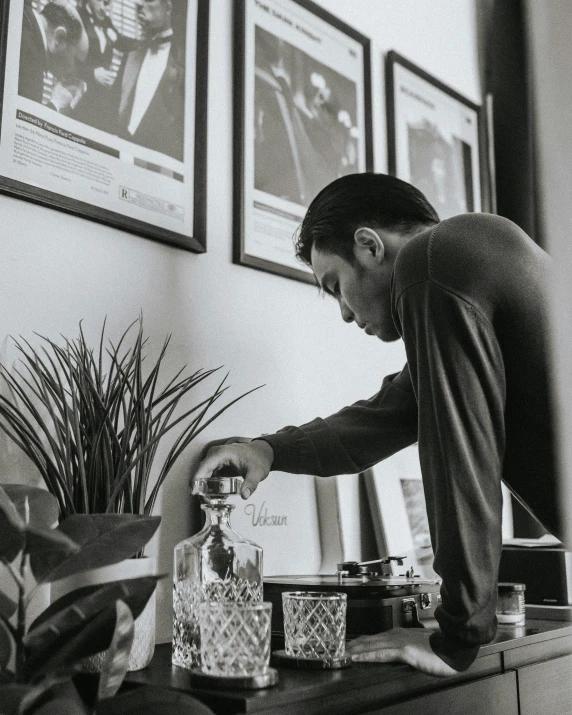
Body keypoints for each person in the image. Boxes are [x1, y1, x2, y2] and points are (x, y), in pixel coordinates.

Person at [194, 172, 560, 677]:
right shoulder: (462, 259)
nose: (345, 314)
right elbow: (382, 418)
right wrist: (268, 451)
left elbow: (460, 457)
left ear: (369, 246)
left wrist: (457, 636)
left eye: (336, 287)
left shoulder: (431, 262)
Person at [115, 0, 185, 161]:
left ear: (168, 7)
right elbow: (113, 110)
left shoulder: (186, 65)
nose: (138, 3)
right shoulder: (131, 54)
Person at [75, 0, 137, 131]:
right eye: (101, 2)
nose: (104, 8)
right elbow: (65, 60)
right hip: (79, 96)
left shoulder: (105, 22)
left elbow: (121, 43)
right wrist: (92, 73)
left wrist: (145, 45)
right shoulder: (76, 17)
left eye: (107, 3)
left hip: (101, 99)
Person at [19, 0, 88, 113]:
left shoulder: (21, 15)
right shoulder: (31, 65)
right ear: (60, 37)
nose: (76, 72)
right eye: (76, 62)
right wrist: (56, 104)